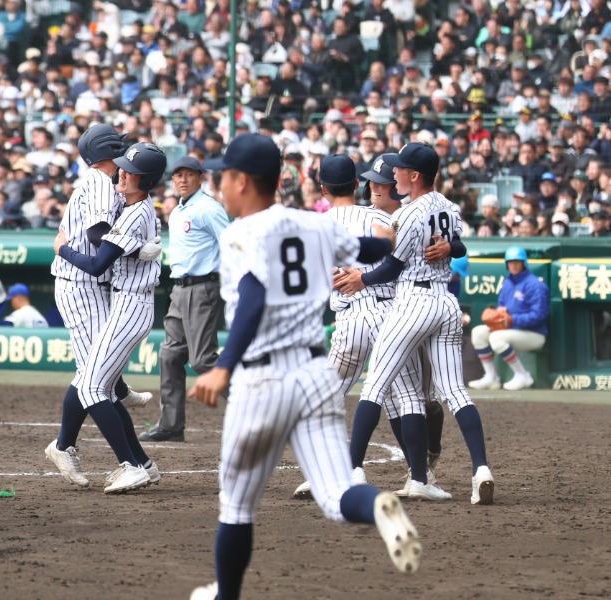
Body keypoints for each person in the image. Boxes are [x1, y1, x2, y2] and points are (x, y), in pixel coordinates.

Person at [187, 134, 422, 600]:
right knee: (337, 496)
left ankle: (225, 596)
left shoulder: (240, 233)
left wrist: (224, 366)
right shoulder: (313, 224)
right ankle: (377, 506)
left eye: (223, 177)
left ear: (242, 181)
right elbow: (374, 251)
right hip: (315, 375)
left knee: (236, 507)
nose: (220, 186)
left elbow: (253, 297)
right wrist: (388, 236)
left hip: (262, 379)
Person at [336, 142, 495, 506]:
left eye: (400, 170)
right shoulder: (449, 206)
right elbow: (458, 244)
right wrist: (449, 249)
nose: (394, 174)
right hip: (446, 303)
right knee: (455, 392)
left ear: (415, 175)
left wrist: (361, 280)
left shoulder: (407, 214)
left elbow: (392, 266)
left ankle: (350, 469)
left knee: (375, 385)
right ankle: (480, 469)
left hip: (413, 302)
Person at [293, 154, 447, 500]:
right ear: (357, 185)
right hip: (387, 313)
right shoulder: (380, 217)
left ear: (323, 188)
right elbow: (400, 257)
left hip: (348, 322)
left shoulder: (317, 225)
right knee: (406, 397)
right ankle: (418, 477)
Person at [44, 124, 160, 488]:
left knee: (95, 383)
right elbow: (98, 236)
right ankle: (131, 458)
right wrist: (137, 248)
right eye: (121, 153)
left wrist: (132, 245)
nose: (123, 165)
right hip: (84, 285)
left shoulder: (125, 198)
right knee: (97, 383)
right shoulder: (99, 183)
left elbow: (104, 245)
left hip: (108, 288)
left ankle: (125, 458)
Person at [140, 156, 230, 443]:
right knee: (170, 355)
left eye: (188, 174)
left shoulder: (208, 208)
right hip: (179, 288)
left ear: (200, 178)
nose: (181, 179)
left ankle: (255, 412)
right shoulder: (177, 210)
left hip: (203, 286)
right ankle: (170, 425)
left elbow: (231, 245)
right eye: (177, 175)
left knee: (203, 359)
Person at [468, 246, 550, 391]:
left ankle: (522, 375)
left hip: (534, 334)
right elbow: (502, 305)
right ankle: (491, 377)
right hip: (511, 330)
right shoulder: (508, 283)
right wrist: (500, 312)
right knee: (478, 332)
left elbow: (539, 315)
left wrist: (512, 319)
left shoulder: (535, 285)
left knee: (497, 338)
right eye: (511, 262)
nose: (514, 265)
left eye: (517, 262)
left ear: (524, 263)